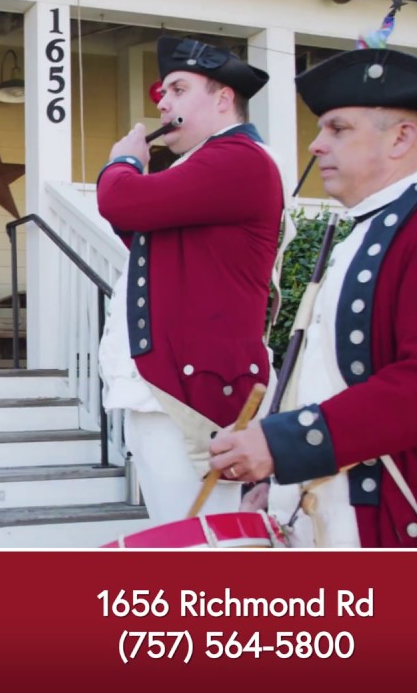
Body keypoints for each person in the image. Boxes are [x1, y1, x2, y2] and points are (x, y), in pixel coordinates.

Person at [207, 48, 417, 548]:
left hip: (397, 524)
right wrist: (277, 480)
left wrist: (282, 444)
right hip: (331, 515)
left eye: (338, 128)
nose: (315, 145)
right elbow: (325, 379)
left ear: (401, 137)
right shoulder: (369, 229)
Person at [95, 35, 286, 524]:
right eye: (163, 93)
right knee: (184, 536)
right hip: (168, 387)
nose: (164, 103)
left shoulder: (236, 159)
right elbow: (142, 235)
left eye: (178, 89)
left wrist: (124, 162)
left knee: (198, 544)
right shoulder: (208, 166)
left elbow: (121, 201)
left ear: (223, 97)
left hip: (189, 396)